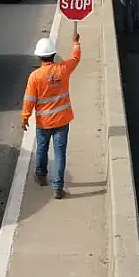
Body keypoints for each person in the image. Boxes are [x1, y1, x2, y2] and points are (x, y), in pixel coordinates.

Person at [21, 29, 82, 199]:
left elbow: (29, 99)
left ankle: (41, 176)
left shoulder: (35, 77)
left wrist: (25, 117)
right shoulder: (63, 69)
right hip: (62, 120)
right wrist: (76, 42)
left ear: (39, 57)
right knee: (60, 153)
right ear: (53, 55)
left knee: (42, 148)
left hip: (44, 122)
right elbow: (75, 59)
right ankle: (58, 188)